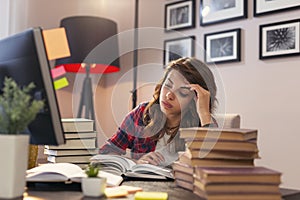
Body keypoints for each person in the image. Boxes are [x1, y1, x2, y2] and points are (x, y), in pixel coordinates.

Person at [99, 57, 218, 166]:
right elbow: (105, 153)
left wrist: (204, 113)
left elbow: (215, 165)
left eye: (183, 93)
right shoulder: (142, 113)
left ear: (195, 100)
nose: (169, 95)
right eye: (168, 85)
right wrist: (137, 162)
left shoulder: (203, 124)